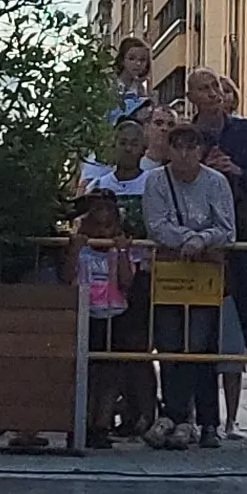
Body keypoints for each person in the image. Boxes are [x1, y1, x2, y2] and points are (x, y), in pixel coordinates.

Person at [186, 71, 247, 449]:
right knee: (204, 333)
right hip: (205, 243)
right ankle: (208, 423)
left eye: (217, 87)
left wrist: (237, 171)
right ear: (191, 96)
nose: (213, 94)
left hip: (244, 238)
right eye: (205, 88)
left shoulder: (245, 132)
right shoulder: (188, 137)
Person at [142, 120, 237, 449]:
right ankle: (175, 414)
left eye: (191, 147)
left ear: (201, 151)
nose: (184, 154)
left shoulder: (217, 182)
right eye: (177, 147)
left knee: (198, 346)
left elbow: (227, 228)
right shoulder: (156, 181)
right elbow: (156, 224)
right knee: (169, 344)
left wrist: (202, 240)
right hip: (170, 272)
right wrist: (189, 239)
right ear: (168, 150)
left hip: (205, 274)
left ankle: (193, 417)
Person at [69, 188, 152, 445]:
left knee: (111, 373)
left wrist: (123, 251)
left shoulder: (119, 248)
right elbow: (66, 275)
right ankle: (80, 422)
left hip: (115, 313)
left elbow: (127, 281)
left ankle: (102, 424)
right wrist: (75, 249)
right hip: (85, 313)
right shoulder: (82, 247)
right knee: (85, 372)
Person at [109, 37, 156, 125]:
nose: (138, 64)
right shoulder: (110, 84)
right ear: (122, 60)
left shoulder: (142, 89)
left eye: (142, 60)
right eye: (132, 59)